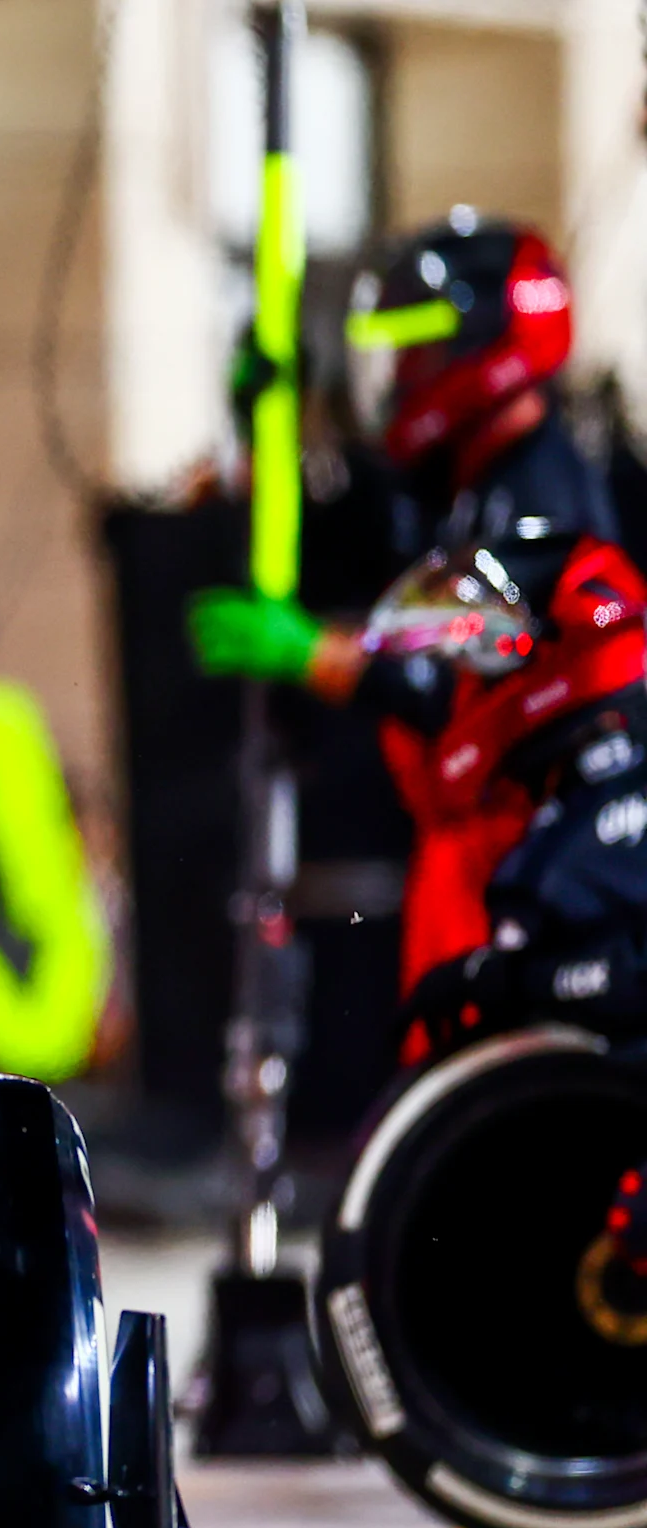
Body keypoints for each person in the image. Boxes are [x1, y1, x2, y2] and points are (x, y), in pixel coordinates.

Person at [190, 211, 624, 992]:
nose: (399, 373)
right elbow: (371, 560)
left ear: (476, 350)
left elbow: (459, 679)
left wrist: (309, 654)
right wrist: (266, 427)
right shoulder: (470, 489)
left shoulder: (543, 505)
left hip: (519, 874)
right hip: (471, 875)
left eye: (416, 348)